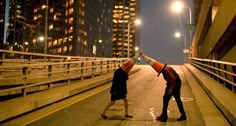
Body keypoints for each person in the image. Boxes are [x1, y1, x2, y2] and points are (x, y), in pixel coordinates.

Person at [141, 53, 186, 122]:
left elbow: (173, 79)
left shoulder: (165, 71)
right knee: (167, 98)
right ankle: (164, 115)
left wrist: (170, 89)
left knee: (173, 99)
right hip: (173, 83)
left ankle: (169, 116)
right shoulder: (166, 68)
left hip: (175, 84)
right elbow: (171, 79)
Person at [101, 53, 140, 119]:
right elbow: (116, 82)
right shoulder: (119, 72)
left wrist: (126, 74)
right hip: (117, 89)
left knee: (124, 100)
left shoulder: (120, 71)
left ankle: (126, 114)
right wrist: (114, 91)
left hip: (120, 89)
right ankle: (103, 113)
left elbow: (125, 79)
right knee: (113, 102)